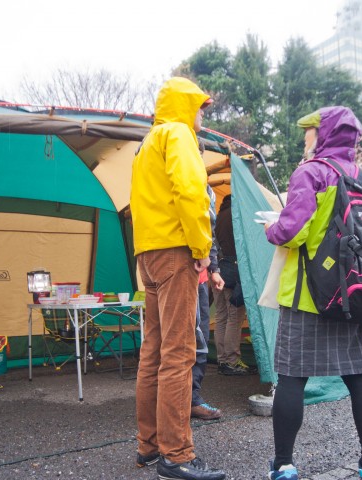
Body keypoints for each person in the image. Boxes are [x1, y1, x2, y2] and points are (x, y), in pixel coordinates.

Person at [264, 106, 362, 480]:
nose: (306, 141)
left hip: (308, 295)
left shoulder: (311, 173)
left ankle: (284, 464)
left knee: (291, 379)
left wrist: (272, 227)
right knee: (360, 377)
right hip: (352, 293)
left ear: (325, 134)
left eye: (309, 134)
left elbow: (292, 231)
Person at [130, 76, 226, 480]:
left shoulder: (146, 143)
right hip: (176, 251)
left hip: (148, 254)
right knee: (180, 352)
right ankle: (178, 454)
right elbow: (190, 191)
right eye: (202, 106)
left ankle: (149, 446)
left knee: (153, 351)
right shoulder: (179, 135)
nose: (204, 114)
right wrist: (202, 249)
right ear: (188, 105)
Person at [191, 183, 226, 421]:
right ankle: (182, 402)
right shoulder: (184, 180)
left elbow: (208, 231)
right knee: (190, 342)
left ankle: (192, 399)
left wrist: (213, 268)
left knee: (200, 337)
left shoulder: (206, 188)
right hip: (183, 276)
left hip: (200, 278)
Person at [213, 194, 257, 376]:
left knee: (221, 316)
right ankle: (232, 361)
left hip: (217, 269)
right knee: (235, 316)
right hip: (233, 271)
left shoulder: (218, 215)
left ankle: (222, 360)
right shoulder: (236, 215)